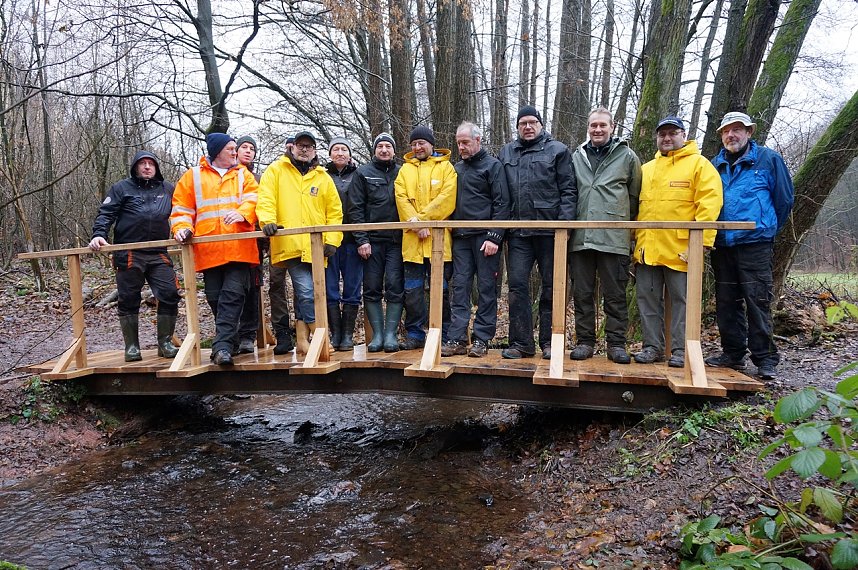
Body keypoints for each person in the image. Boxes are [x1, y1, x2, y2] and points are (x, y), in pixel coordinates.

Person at [705, 111, 794, 380]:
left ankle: (765, 359)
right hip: (723, 244)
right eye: (726, 131)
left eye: (737, 130)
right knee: (726, 303)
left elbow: (784, 200)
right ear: (721, 135)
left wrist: (766, 228)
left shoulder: (768, 160)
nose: (731, 135)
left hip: (755, 244)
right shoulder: (713, 165)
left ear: (749, 132)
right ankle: (733, 354)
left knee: (758, 301)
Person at [632, 116, 723, 368]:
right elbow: (636, 208)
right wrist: (633, 240)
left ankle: (682, 349)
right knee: (647, 300)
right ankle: (652, 347)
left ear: (684, 135)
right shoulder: (646, 169)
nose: (667, 138)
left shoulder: (699, 165)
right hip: (648, 249)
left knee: (684, 301)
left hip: (682, 249)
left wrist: (702, 244)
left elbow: (709, 204)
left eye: (672, 133)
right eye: (662, 134)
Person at [170, 133, 260, 366]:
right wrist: (181, 228)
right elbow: (181, 208)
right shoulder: (193, 176)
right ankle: (229, 340)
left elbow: (255, 200)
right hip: (208, 249)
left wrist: (243, 213)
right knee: (215, 297)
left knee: (232, 296)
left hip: (239, 248)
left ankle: (221, 349)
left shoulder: (243, 175)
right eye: (230, 148)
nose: (234, 151)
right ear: (217, 150)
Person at [498, 105, 577, 360]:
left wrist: (563, 227)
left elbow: (568, 190)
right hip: (518, 233)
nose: (528, 127)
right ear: (518, 127)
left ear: (541, 125)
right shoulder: (507, 152)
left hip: (550, 232)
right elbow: (501, 193)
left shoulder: (558, 150)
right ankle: (521, 343)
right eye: (523, 123)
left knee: (552, 287)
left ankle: (550, 342)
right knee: (518, 287)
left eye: (533, 122)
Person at [257, 131, 343, 355]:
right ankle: (320, 333)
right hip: (290, 242)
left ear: (315, 150)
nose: (304, 149)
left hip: (316, 247)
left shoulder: (323, 177)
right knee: (306, 292)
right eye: (300, 145)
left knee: (312, 293)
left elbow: (335, 212)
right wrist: (267, 221)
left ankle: (303, 341)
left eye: (309, 146)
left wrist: (333, 240)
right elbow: (266, 198)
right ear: (292, 147)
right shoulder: (276, 170)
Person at [89, 151, 181, 362]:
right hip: (128, 252)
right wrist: (99, 235)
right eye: (143, 164)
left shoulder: (167, 188)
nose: (147, 167)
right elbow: (106, 213)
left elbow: (181, 213)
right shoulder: (121, 188)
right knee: (129, 298)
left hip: (159, 251)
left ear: (156, 168)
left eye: (151, 164)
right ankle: (131, 347)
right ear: (135, 167)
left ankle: (165, 344)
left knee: (170, 293)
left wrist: (183, 230)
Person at [568, 107, 641, 364]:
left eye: (603, 125)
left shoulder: (628, 156)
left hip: (614, 237)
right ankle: (585, 342)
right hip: (580, 237)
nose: (598, 130)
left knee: (615, 295)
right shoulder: (576, 156)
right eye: (593, 125)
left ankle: (616, 344)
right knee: (582, 294)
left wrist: (622, 225)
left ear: (612, 127)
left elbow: (633, 197)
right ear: (588, 128)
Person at [441, 122, 510, 358]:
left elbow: (502, 203)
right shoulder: (455, 169)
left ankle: (482, 339)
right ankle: (457, 338)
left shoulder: (493, 166)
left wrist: (495, 237)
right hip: (460, 237)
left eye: (465, 142)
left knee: (486, 289)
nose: (461, 147)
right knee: (460, 288)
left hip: (485, 238)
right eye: (459, 142)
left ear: (478, 140)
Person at [394, 125, 457, 350]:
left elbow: (447, 199)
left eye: (421, 143)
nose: (418, 147)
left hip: (439, 242)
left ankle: (444, 333)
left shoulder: (446, 168)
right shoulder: (404, 171)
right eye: (414, 144)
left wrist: (422, 220)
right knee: (412, 291)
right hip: (412, 242)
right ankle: (415, 333)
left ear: (431, 144)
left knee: (442, 289)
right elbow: (400, 198)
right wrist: (416, 224)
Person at [349, 133, 404, 353]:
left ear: (393, 150)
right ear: (374, 150)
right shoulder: (363, 173)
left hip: (397, 241)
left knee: (395, 286)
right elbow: (356, 208)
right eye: (380, 146)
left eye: (387, 146)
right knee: (371, 288)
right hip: (371, 242)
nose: (383, 150)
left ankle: (390, 334)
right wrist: (362, 239)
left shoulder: (403, 172)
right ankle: (378, 335)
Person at [325, 137, 362, 351]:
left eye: (344, 149)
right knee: (329, 288)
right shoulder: (322, 175)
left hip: (352, 240)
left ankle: (347, 335)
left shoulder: (358, 175)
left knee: (352, 287)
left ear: (349, 154)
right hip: (329, 241)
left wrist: (361, 238)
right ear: (330, 154)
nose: (340, 153)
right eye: (336, 149)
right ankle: (335, 334)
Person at [233, 135, 263, 354]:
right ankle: (229, 335)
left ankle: (248, 335)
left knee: (253, 289)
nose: (248, 151)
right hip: (227, 242)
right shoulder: (226, 175)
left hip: (253, 243)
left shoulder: (259, 179)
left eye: (252, 148)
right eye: (244, 147)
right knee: (230, 291)